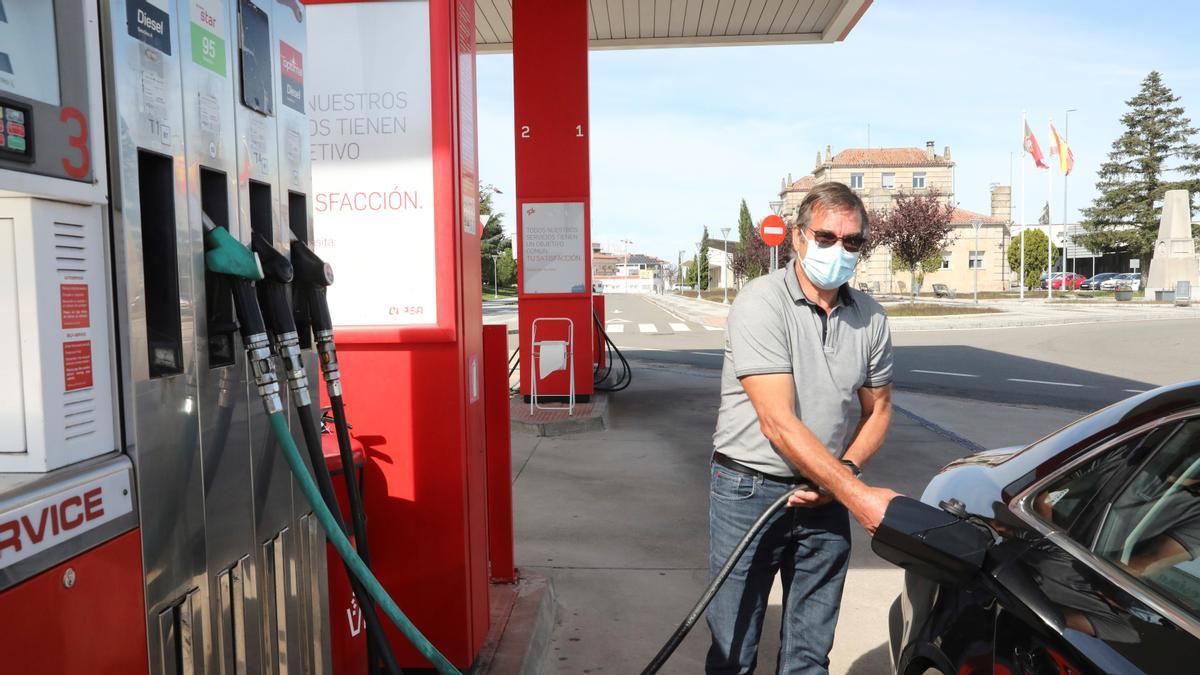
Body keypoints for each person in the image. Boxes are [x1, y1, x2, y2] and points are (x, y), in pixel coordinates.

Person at [707, 182, 900, 674]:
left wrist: (844, 475)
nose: (839, 249)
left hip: (828, 498)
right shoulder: (761, 302)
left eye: (852, 241)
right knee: (734, 649)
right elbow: (778, 422)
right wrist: (857, 495)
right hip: (749, 491)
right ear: (798, 237)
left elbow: (877, 410)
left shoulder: (871, 317)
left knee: (810, 656)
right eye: (827, 237)